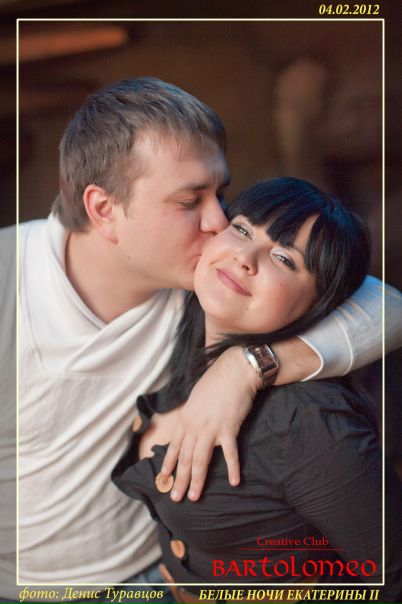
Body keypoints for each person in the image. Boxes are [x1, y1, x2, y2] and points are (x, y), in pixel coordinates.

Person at [2, 77, 400, 599]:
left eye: (221, 193)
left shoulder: (209, 276)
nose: (220, 221)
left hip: (161, 570)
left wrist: (247, 367)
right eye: (190, 200)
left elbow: (384, 304)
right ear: (103, 209)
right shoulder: (11, 281)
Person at [112, 177, 402, 604]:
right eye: (243, 229)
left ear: (320, 305)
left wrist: (247, 367)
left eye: (284, 259)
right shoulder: (184, 324)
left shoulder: (305, 422)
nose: (245, 258)